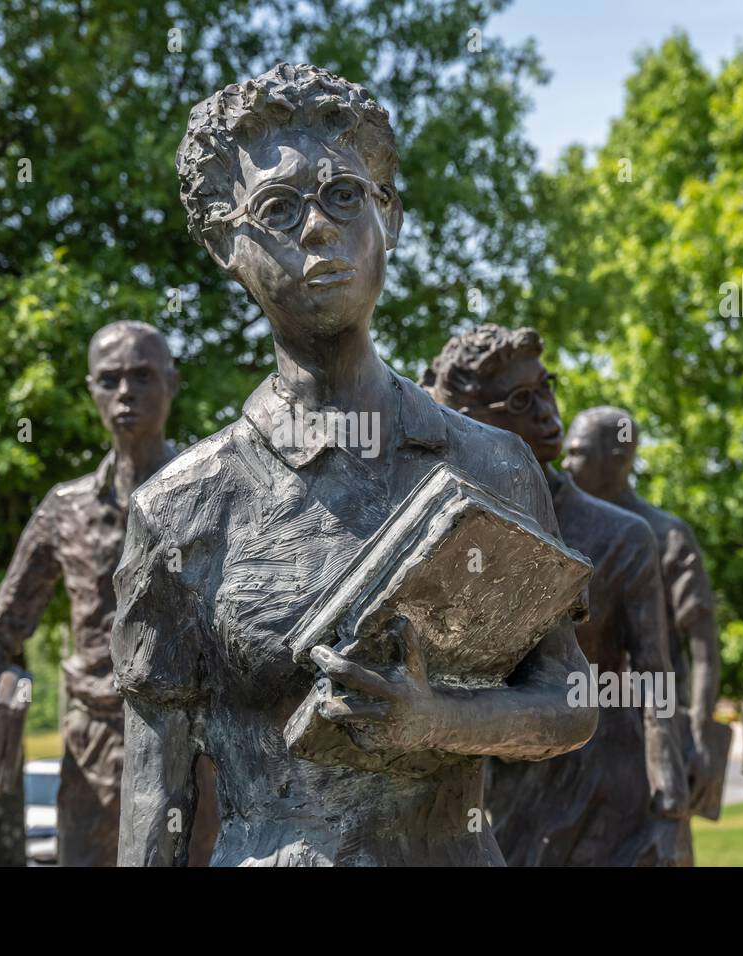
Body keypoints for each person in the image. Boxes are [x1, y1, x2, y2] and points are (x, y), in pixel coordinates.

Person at [110, 63, 597, 867]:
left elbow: (571, 701)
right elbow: (153, 787)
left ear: (390, 217)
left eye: (344, 195)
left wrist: (437, 721)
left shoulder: (493, 463)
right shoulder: (183, 509)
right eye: (276, 208)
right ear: (224, 244)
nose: (317, 229)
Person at [426, 325, 688, 865]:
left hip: (609, 789)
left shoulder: (622, 536)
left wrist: (670, 805)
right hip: (492, 795)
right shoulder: (445, 535)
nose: (549, 411)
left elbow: (655, 676)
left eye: (548, 387)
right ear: (472, 421)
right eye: (523, 400)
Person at [0, 320, 216, 866]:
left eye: (142, 376)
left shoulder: (211, 495)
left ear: (172, 383)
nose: (125, 392)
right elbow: (3, 625)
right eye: (109, 379)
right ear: (92, 391)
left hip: (192, 741)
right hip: (92, 749)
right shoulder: (65, 508)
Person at [565, 405, 722, 837]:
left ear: (617, 457)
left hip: (654, 723)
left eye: (578, 452)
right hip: (580, 725)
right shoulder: (561, 528)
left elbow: (704, 646)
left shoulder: (668, 536)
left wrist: (701, 729)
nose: (566, 463)